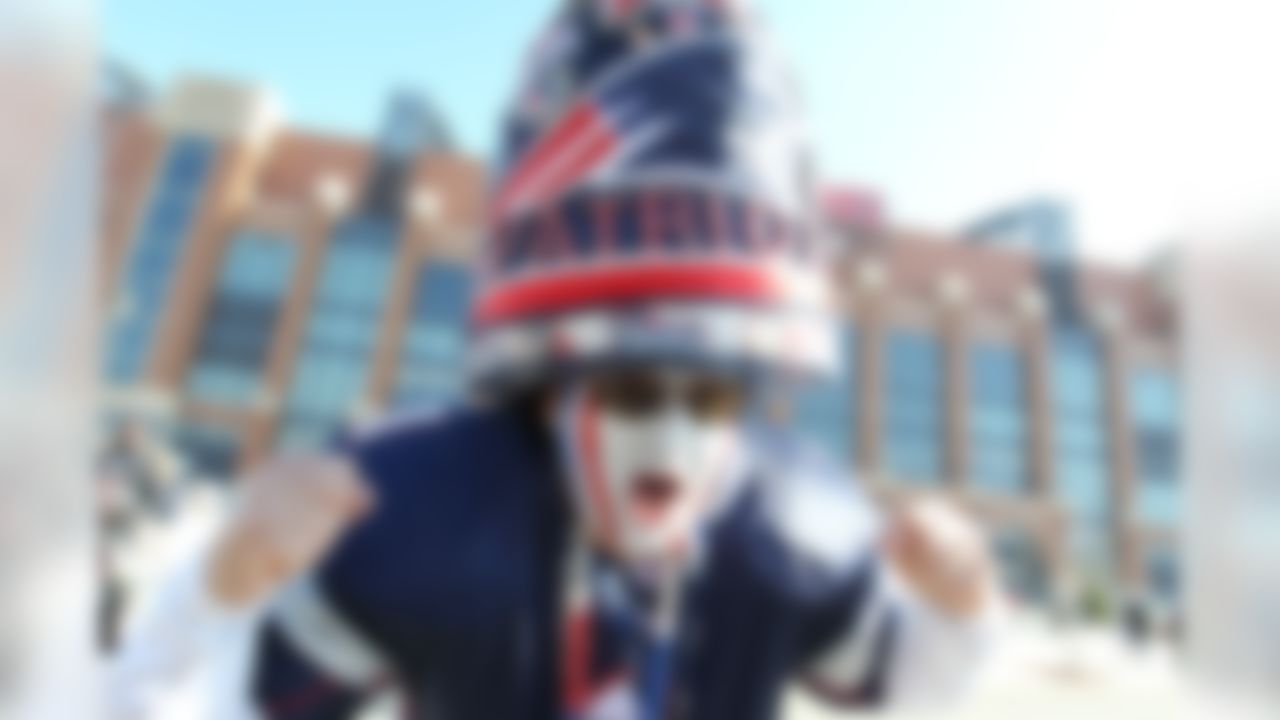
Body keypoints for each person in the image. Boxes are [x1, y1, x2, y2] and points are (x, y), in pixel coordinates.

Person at [110, 1, 1003, 718]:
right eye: (632, 388)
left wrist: (958, 613)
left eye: (713, 398)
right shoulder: (422, 511)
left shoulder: (786, 524)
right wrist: (218, 591)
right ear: (547, 397)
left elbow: (904, 691)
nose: (675, 436)